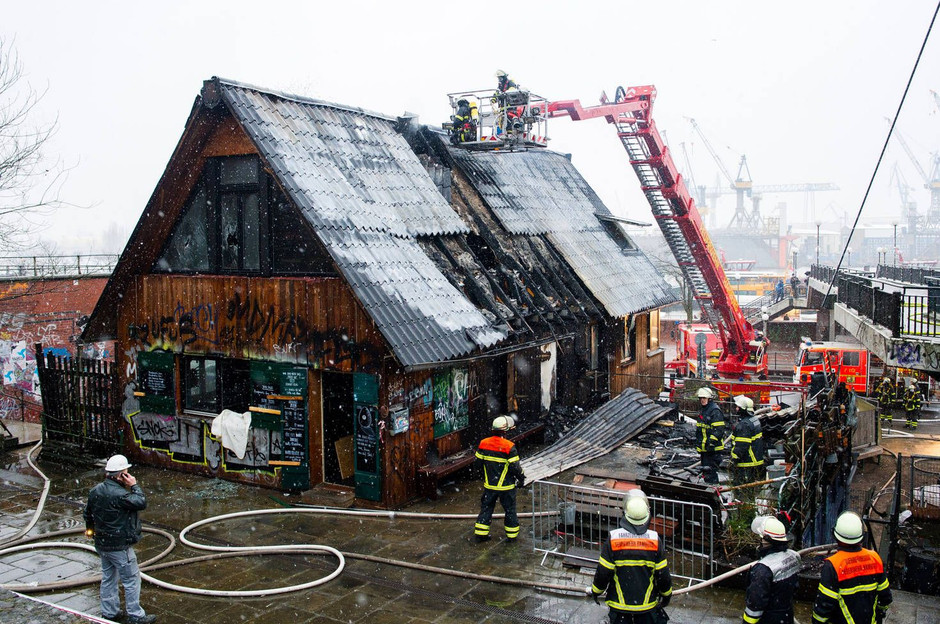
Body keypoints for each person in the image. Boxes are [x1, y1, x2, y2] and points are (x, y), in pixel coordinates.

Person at [83, 455, 157, 624]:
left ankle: (109, 612)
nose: (128, 475)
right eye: (126, 473)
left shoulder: (96, 491)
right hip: (119, 546)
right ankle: (136, 615)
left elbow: (87, 514)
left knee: (108, 577)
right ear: (120, 475)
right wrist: (135, 485)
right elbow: (141, 502)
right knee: (131, 579)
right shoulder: (121, 495)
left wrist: (92, 531)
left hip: (102, 544)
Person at [590, 495, 672, 623]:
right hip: (647, 608)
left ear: (625, 514)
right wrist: (666, 595)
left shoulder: (614, 538)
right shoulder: (654, 540)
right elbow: (663, 575)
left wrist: (596, 591)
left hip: (620, 608)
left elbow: (603, 572)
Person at [812, 511, 891, 624]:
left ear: (835, 536)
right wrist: (879, 613)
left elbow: (824, 606)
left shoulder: (833, 565)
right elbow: (885, 597)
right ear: (861, 537)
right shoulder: (875, 558)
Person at [473, 415, 525, 542]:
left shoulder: (483, 443)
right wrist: (521, 479)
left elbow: (477, 465)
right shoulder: (509, 446)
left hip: (489, 486)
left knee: (486, 509)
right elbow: (516, 468)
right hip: (506, 487)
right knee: (510, 510)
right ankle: (512, 536)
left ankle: (481, 534)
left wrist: (485, 477)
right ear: (505, 431)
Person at [742, 517, 801, 624]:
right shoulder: (794, 556)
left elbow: (755, 606)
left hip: (769, 619)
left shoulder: (763, 569)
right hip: (786, 615)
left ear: (767, 540)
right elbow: (795, 586)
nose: (760, 541)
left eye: (762, 538)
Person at [694, 387, 726, 484]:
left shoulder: (714, 411)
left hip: (713, 449)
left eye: (704, 398)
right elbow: (700, 429)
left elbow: (718, 430)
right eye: (700, 398)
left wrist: (711, 443)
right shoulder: (704, 410)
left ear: (709, 398)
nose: (702, 400)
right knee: (706, 472)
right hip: (705, 449)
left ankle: (713, 490)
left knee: (711, 472)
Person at [730, 395, 764, 486]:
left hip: (747, 462)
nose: (736, 409)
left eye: (738, 407)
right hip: (756, 459)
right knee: (752, 485)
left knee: (741, 487)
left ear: (743, 409)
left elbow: (741, 446)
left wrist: (734, 458)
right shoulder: (754, 420)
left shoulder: (744, 425)